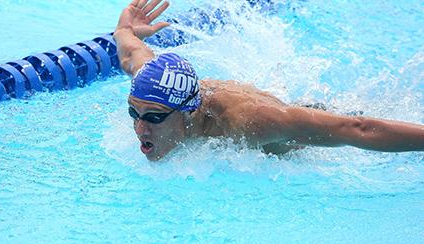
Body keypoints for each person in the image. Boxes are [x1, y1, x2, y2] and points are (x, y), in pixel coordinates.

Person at [114, 0, 424, 161]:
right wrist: (125, 30)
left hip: (293, 132)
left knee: (338, 115)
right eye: (134, 113)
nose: (140, 129)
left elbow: (357, 129)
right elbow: (131, 53)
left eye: (153, 117)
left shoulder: (247, 123)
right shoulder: (149, 84)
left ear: (187, 110)